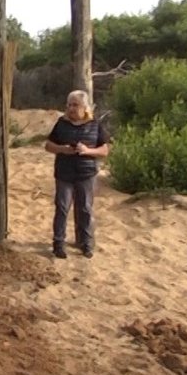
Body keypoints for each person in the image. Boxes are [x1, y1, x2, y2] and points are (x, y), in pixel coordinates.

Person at [43, 90, 111, 259]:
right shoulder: (61, 123)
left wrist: (88, 150)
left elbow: (105, 150)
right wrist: (62, 149)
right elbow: (48, 145)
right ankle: (59, 243)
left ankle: (86, 244)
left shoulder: (95, 124)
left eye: (75, 105)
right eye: (69, 105)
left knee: (85, 209)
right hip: (64, 173)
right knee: (62, 207)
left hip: (86, 173)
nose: (71, 108)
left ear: (84, 107)